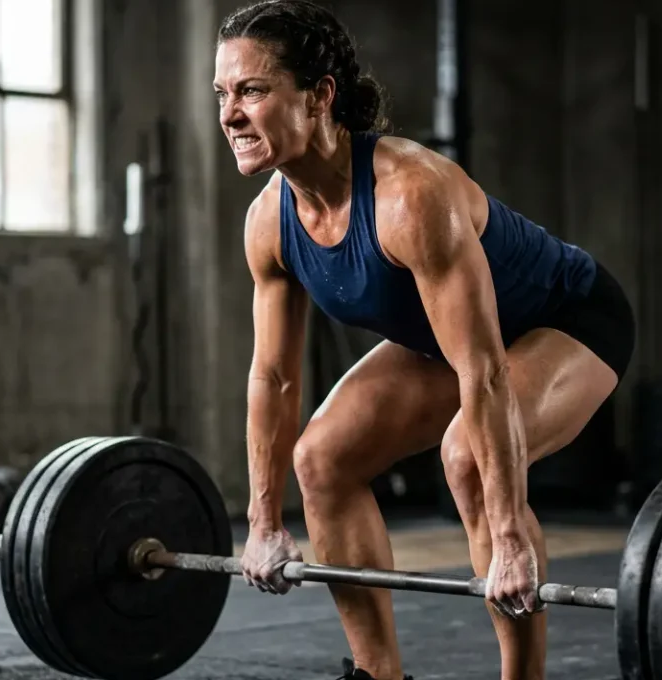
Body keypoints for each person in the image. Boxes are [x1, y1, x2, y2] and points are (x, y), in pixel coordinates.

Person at [214, 2, 635, 679]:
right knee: (321, 460)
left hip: (567, 320)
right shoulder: (269, 223)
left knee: (467, 455)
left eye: (253, 90)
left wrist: (508, 541)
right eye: (224, 94)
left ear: (319, 95)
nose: (230, 114)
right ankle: (379, 675)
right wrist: (263, 521)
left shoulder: (410, 196)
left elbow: (487, 372)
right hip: (453, 343)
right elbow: (274, 379)